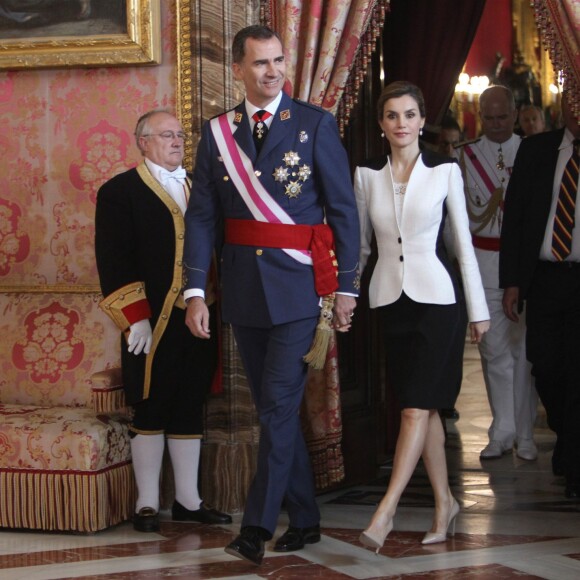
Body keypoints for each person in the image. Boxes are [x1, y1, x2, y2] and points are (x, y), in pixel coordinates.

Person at [183, 25, 360, 566]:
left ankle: (256, 526)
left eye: (279, 60)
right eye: (260, 63)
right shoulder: (217, 134)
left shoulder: (313, 124)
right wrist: (195, 290)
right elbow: (203, 216)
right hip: (242, 292)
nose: (273, 71)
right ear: (238, 69)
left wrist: (347, 285)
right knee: (274, 409)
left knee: (277, 408)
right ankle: (304, 517)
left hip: (299, 291)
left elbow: (343, 210)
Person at [355, 81, 489, 550]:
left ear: (422, 119)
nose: (401, 124)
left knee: (414, 407)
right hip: (390, 300)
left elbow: (462, 244)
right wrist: (347, 295)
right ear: (382, 124)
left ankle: (384, 513)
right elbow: (362, 246)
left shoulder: (445, 171)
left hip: (439, 301)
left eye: (409, 115)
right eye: (392, 116)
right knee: (422, 406)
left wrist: (479, 309)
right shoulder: (366, 176)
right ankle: (444, 503)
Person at [95, 109, 232, 533]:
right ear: (143, 141)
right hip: (150, 320)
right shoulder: (119, 191)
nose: (177, 141)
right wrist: (135, 318)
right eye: (167, 135)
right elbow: (114, 260)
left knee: (189, 402)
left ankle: (189, 501)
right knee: (150, 404)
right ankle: (148, 502)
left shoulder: (200, 187)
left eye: (179, 135)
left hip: (198, 313)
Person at [500, 92, 580, 499]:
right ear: (563, 106)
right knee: (546, 367)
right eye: (574, 100)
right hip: (546, 279)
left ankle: (575, 462)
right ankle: (568, 439)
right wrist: (512, 281)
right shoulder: (537, 150)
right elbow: (514, 218)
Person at [455, 85, 538, 461]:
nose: (496, 124)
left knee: (524, 353)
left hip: (523, 264)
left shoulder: (532, 152)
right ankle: (501, 429)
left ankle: (525, 433)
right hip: (483, 265)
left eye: (502, 116)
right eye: (489, 118)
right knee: (493, 351)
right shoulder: (464, 156)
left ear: (515, 113)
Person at [437, 114, 463, 422]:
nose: (450, 149)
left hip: (455, 270)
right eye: (444, 143)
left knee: (454, 344)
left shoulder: (460, 173)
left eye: (455, 143)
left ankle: (447, 398)